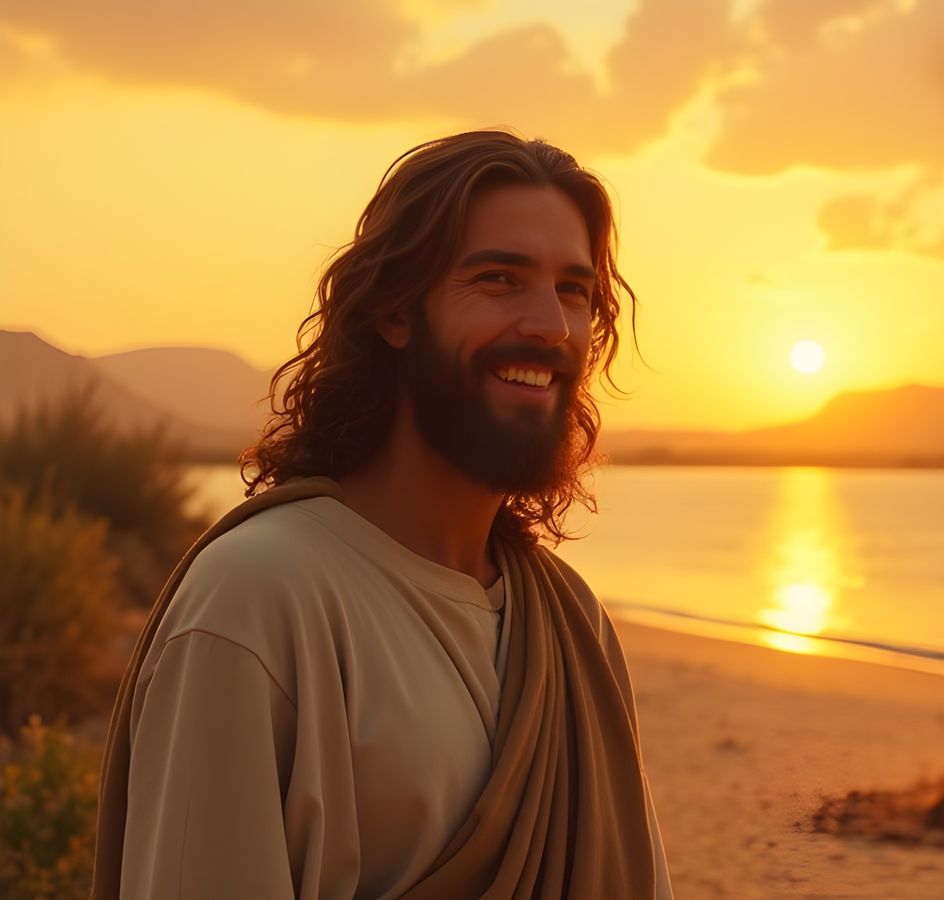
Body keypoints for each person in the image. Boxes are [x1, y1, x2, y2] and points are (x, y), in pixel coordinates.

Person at [90, 131, 672, 899]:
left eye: (574, 290)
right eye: (499, 279)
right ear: (396, 311)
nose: (552, 325)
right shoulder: (257, 598)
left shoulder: (571, 620)